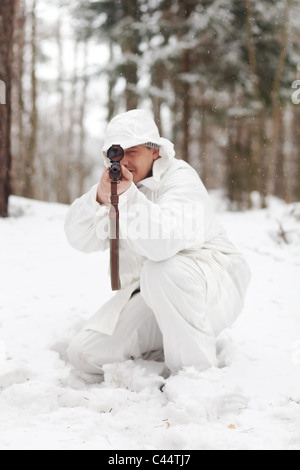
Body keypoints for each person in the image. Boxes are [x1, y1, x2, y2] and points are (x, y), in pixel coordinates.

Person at [64, 109, 251, 377]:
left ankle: (194, 377)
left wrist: (127, 198)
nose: (124, 162)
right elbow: (79, 239)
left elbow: (162, 244)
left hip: (212, 288)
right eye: (116, 153)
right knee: (86, 353)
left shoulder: (180, 178)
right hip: (156, 294)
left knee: (162, 270)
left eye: (132, 152)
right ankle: (157, 369)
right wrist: (99, 198)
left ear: (155, 151)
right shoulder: (120, 187)